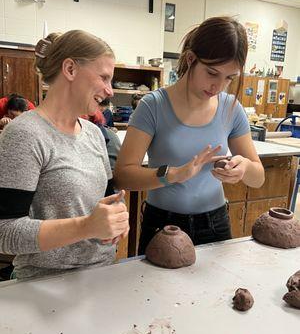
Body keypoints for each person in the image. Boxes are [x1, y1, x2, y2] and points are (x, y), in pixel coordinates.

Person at [114, 16, 265, 255]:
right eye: (212, 73)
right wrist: (173, 175)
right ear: (190, 59)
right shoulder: (153, 106)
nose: (218, 86)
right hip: (163, 226)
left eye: (229, 78)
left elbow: (258, 178)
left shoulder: (230, 108)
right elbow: (123, 176)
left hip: (215, 224)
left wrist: (244, 167)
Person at [0, 30, 129, 279]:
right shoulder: (25, 134)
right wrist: (86, 226)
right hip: (44, 282)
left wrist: (117, 216)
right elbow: (5, 232)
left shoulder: (93, 133)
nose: (110, 91)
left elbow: (106, 198)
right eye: (104, 77)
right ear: (70, 69)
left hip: (100, 274)